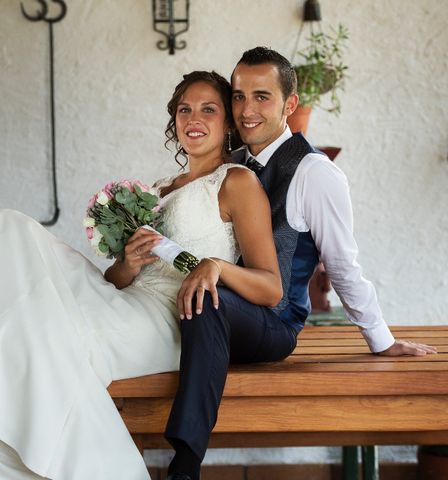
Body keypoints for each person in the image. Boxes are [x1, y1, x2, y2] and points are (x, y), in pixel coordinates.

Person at [0, 71, 282, 480]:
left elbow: (270, 285)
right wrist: (129, 262)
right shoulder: (158, 189)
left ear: (227, 123)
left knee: (23, 309)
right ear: (173, 121)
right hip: (126, 299)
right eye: (184, 109)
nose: (193, 117)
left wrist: (215, 266)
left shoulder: (235, 182)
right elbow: (117, 280)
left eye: (208, 108)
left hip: (170, 322)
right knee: (7, 226)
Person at [163, 47, 438, 480]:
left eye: (261, 96)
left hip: (275, 322)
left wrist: (380, 338)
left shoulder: (314, 172)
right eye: (238, 96)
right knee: (198, 301)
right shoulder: (232, 167)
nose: (246, 109)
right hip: (222, 313)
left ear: (290, 104)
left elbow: (342, 264)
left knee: (207, 302)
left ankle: (184, 467)